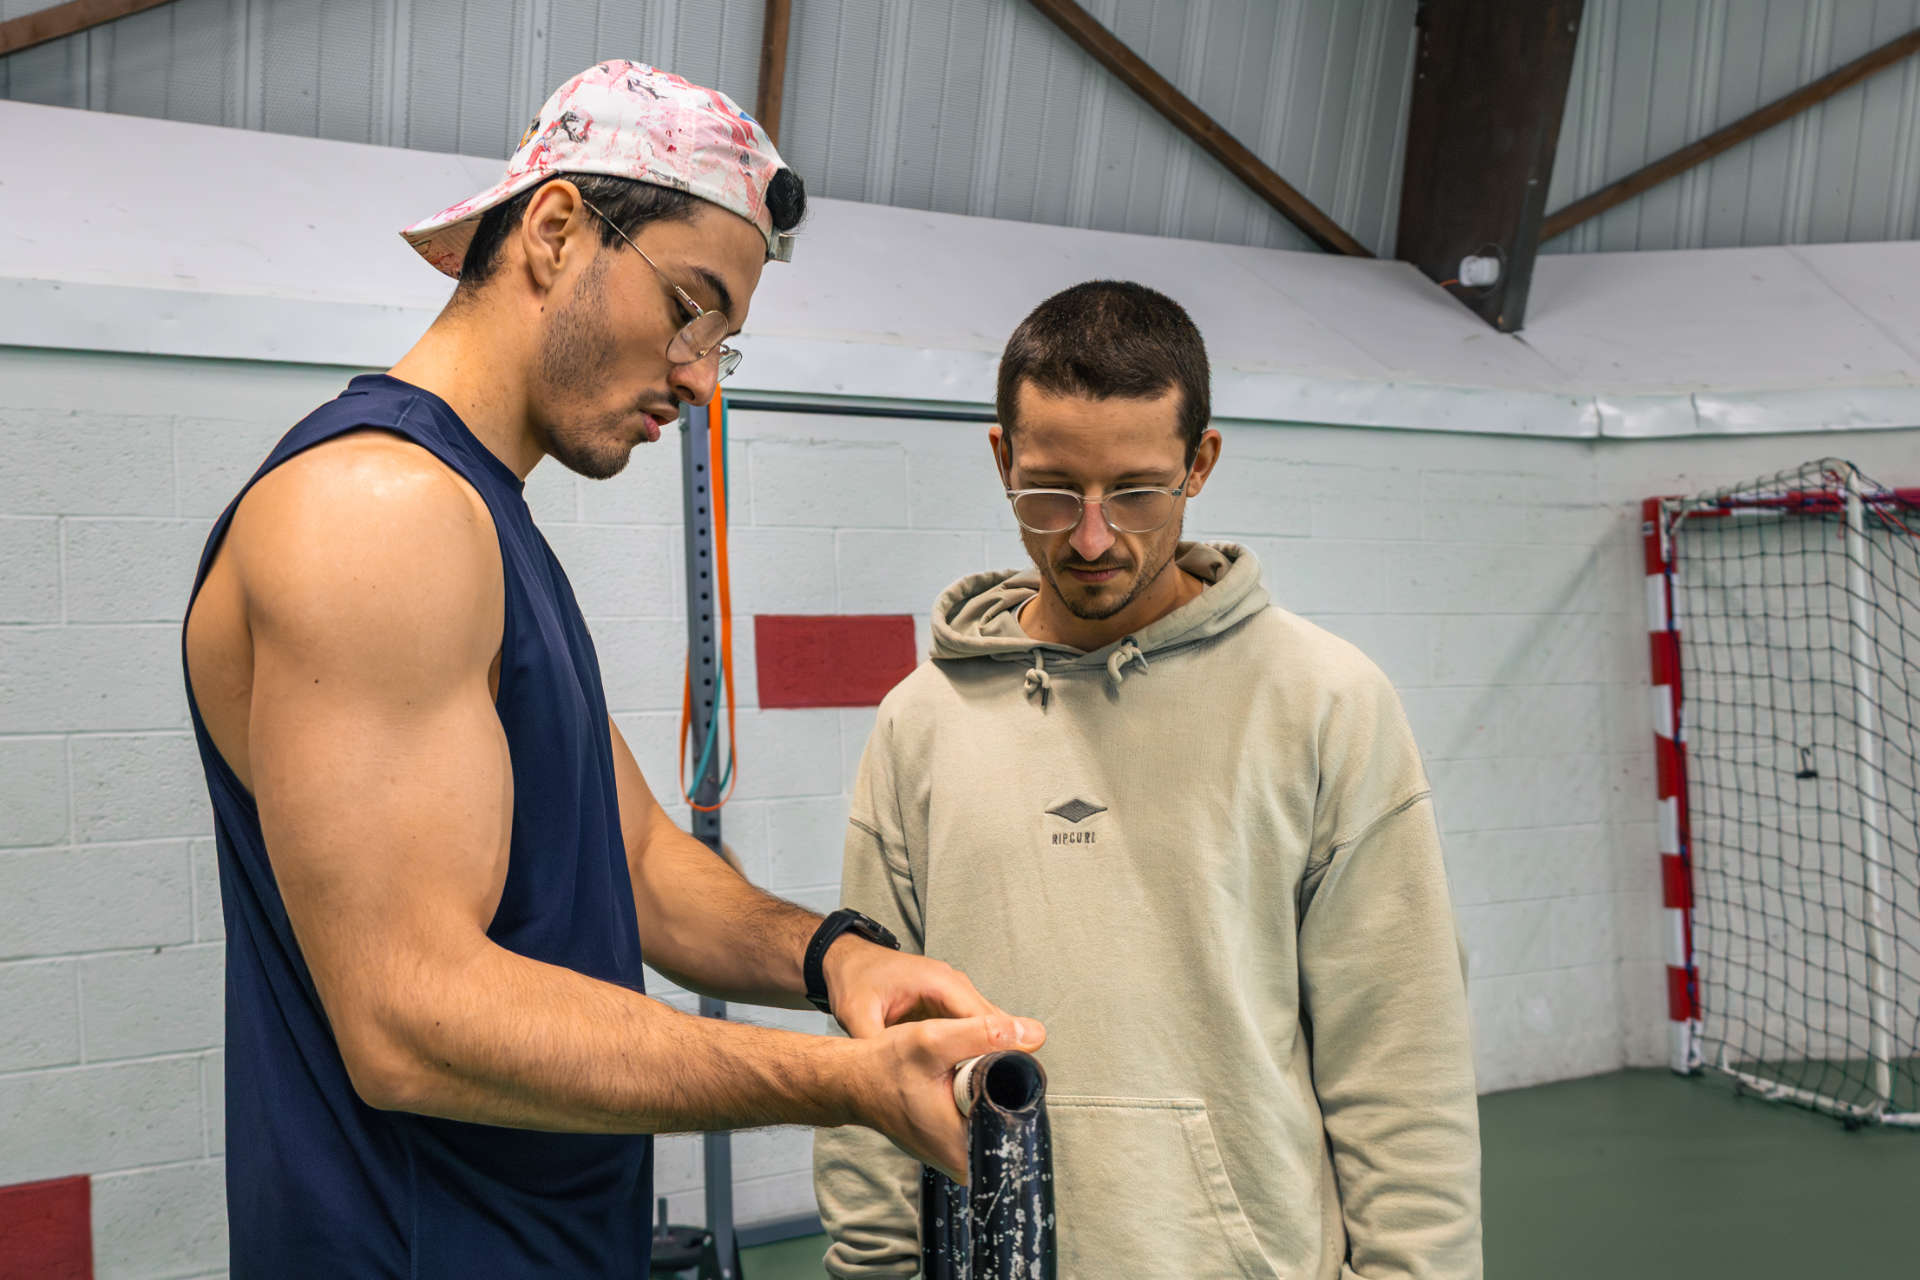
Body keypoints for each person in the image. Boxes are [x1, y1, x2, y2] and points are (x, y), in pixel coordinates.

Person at [180, 61, 1041, 1278]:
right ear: (556, 230)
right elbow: (407, 1021)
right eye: (690, 307)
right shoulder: (375, 512)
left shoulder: (485, 523)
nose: (699, 377)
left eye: (722, 343)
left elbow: (637, 860)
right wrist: (837, 1081)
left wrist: (840, 957)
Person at [814, 281, 1482, 1278]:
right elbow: (875, 1049)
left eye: (1135, 490)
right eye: (1049, 491)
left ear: (1199, 462)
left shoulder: (1325, 702)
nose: (1090, 537)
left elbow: (1401, 1068)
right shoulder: (921, 721)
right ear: (1000, 457)